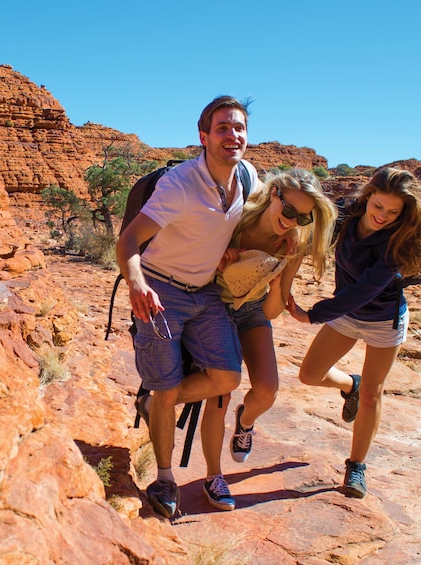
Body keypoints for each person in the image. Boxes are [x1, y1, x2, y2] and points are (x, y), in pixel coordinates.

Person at [116, 95, 262, 517]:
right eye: (222, 128)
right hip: (161, 293)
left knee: (226, 377)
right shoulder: (179, 185)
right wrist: (137, 285)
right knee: (165, 388)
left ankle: (158, 402)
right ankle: (164, 479)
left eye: (239, 128)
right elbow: (127, 241)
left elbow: (249, 222)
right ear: (203, 136)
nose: (232, 135)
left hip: (207, 293)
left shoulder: (248, 176)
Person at [285, 167, 421, 498]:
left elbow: (364, 290)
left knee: (373, 394)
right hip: (347, 315)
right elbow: (307, 233)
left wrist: (312, 315)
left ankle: (357, 466)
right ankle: (350, 384)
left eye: (394, 212)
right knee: (309, 375)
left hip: (383, 319)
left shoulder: (402, 238)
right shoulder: (347, 214)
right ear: (368, 196)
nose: (383, 216)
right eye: (378, 206)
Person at [217, 168, 337, 464]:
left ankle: (245, 422)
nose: (292, 221)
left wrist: (274, 282)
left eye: (302, 218)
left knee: (267, 390)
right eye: (288, 209)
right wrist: (222, 257)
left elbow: (273, 310)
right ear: (274, 194)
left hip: (253, 310)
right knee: (218, 389)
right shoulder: (237, 217)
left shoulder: (290, 248)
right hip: (214, 305)